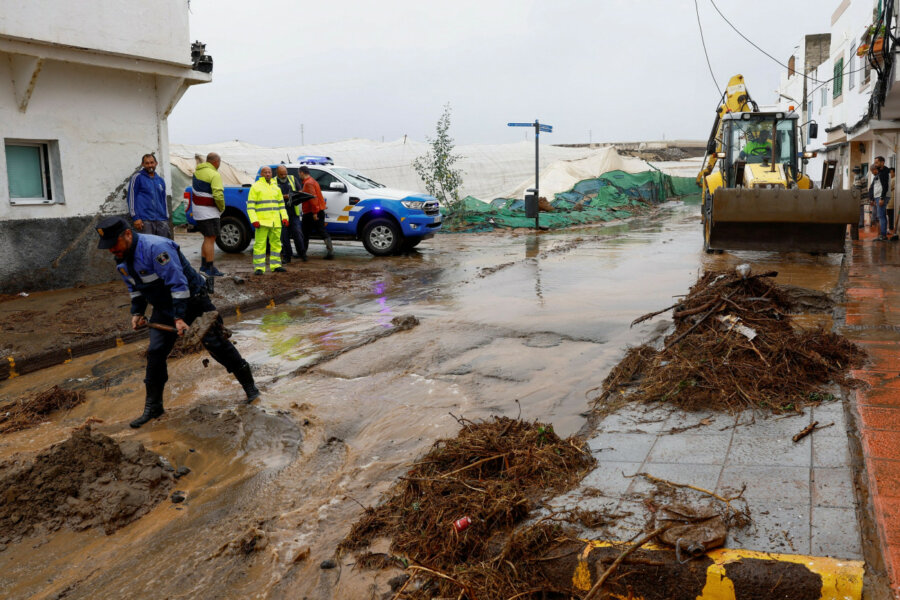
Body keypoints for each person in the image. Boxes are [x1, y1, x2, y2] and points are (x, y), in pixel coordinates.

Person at [95, 216, 259, 428]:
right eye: (107, 247)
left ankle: (251, 389)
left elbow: (179, 285)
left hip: (192, 300)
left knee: (217, 345)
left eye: (113, 245)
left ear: (127, 234)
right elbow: (135, 288)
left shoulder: (157, 249)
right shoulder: (121, 257)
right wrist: (137, 312)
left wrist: (180, 318)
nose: (111, 251)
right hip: (164, 306)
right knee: (155, 351)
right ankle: (153, 407)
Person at [248, 166, 289, 274]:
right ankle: (259, 268)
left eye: (269, 172)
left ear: (272, 174)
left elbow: (281, 205)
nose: (267, 174)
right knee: (260, 245)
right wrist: (254, 220)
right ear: (261, 174)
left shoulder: (276, 187)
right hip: (262, 222)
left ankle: (276, 265)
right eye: (265, 172)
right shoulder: (255, 187)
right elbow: (251, 206)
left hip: (275, 221)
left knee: (276, 244)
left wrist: (284, 217)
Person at [192, 152, 226, 277]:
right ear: (216, 162)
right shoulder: (214, 174)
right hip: (209, 212)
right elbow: (218, 194)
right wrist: (222, 207)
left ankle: (204, 266)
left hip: (198, 211)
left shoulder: (197, 172)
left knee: (207, 238)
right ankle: (209, 268)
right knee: (211, 239)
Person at [127, 154, 172, 239]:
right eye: (147, 163)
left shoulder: (160, 180)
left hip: (161, 220)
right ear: (143, 164)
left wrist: (166, 218)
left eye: (152, 162)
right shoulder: (137, 177)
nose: (150, 165)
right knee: (147, 247)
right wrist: (136, 217)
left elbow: (164, 200)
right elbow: (131, 198)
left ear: (156, 163)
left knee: (162, 246)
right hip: (145, 220)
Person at [299, 165, 334, 259]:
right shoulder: (313, 181)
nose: (299, 175)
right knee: (321, 230)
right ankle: (330, 252)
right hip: (319, 210)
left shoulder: (308, 183)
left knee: (305, 233)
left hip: (311, 212)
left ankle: (303, 253)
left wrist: (315, 213)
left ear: (302, 172)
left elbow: (313, 198)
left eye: (299, 173)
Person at [275, 165, 307, 263]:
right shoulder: (273, 182)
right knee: (284, 237)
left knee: (298, 234)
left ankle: (302, 254)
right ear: (277, 173)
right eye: (282, 174)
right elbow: (272, 195)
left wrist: (296, 195)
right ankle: (287, 256)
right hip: (281, 213)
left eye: (285, 173)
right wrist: (284, 197)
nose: (284, 175)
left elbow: (300, 191)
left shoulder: (292, 179)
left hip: (293, 212)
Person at [871, 157, 891, 241]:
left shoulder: (884, 172)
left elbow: (885, 186)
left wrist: (882, 198)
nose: (875, 164)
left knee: (881, 216)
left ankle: (883, 235)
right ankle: (882, 235)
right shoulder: (880, 172)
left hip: (881, 196)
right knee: (881, 215)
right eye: (875, 162)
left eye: (877, 162)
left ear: (882, 162)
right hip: (878, 196)